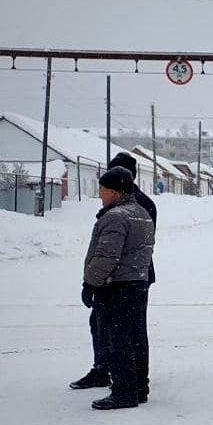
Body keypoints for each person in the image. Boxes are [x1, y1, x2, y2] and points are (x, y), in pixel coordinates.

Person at [69, 152, 157, 404]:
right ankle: (138, 386)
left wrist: (90, 283)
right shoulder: (141, 210)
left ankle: (124, 389)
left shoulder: (118, 215)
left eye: (104, 189)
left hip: (117, 284)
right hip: (138, 280)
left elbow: (107, 255)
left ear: (116, 191)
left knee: (117, 337)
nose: (100, 194)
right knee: (134, 336)